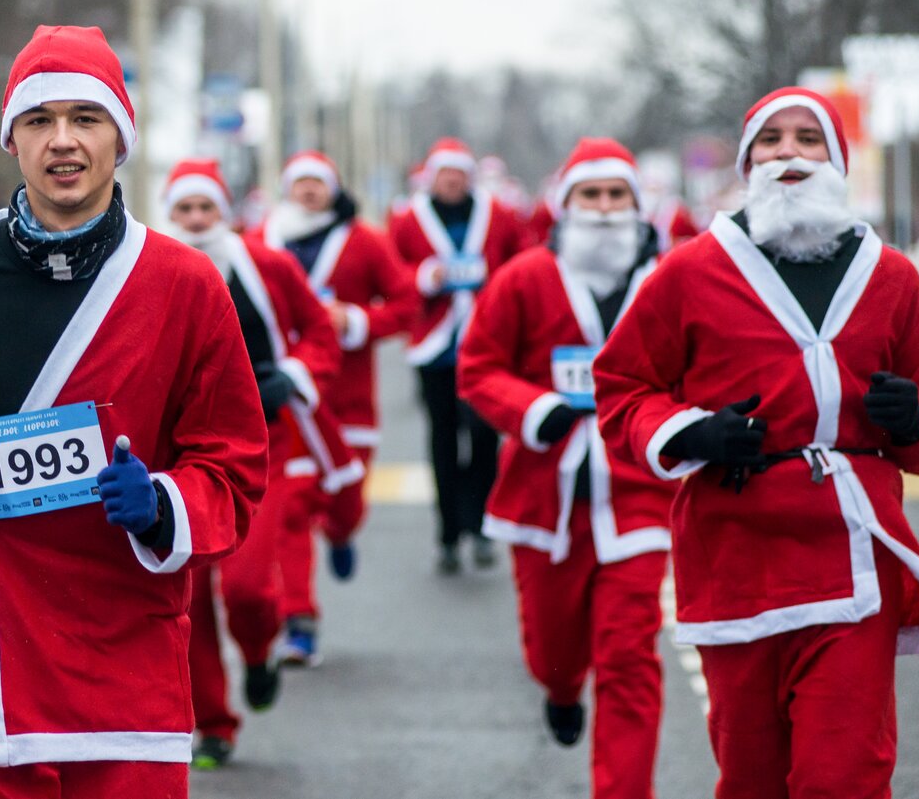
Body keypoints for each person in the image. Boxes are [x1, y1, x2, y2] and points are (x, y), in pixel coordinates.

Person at [0, 26, 268, 799]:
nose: (62, 140)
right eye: (39, 120)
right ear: (12, 138)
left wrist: (163, 504)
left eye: (85, 118)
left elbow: (232, 463)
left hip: (126, 668)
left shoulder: (186, 285)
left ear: (120, 138)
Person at [594, 87, 919, 798]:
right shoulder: (689, 271)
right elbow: (623, 387)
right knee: (752, 778)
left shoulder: (891, 276)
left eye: (808, 138)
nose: (788, 153)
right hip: (733, 557)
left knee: (845, 775)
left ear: (836, 159)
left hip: (851, 558)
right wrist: (692, 431)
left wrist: (912, 417)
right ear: (747, 164)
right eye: (770, 140)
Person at [459, 138, 675, 799]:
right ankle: (559, 689)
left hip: (639, 497)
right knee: (551, 650)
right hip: (542, 497)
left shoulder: (673, 279)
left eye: (617, 195)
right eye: (591, 195)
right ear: (565, 203)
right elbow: (478, 368)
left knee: (629, 656)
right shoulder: (524, 277)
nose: (605, 208)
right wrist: (532, 408)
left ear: (637, 205)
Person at [162, 157, 344, 767]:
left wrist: (292, 376)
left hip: (259, 447)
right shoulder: (146, 271)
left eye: (205, 208)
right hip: (177, 455)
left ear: (225, 212)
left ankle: (260, 652)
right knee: (189, 599)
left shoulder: (267, 265)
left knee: (246, 589)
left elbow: (319, 332)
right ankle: (214, 725)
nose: (195, 220)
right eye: (184, 209)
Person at [259, 150, 415, 664]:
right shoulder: (260, 241)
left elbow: (407, 304)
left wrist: (358, 321)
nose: (308, 190)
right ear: (286, 188)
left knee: (346, 502)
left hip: (348, 404)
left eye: (317, 182)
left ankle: (342, 533)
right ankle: (299, 622)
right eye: (299, 182)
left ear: (333, 188)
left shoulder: (364, 241)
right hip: (289, 405)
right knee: (290, 511)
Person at [388, 137, 527, 573]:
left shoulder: (498, 214)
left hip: (487, 345)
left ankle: (480, 523)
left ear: (470, 177)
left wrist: (496, 282)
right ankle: (448, 533)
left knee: (484, 438)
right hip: (435, 349)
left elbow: (523, 263)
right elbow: (392, 273)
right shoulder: (408, 219)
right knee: (443, 440)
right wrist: (426, 276)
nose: (452, 181)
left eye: (459, 174)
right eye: (445, 174)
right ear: (432, 177)